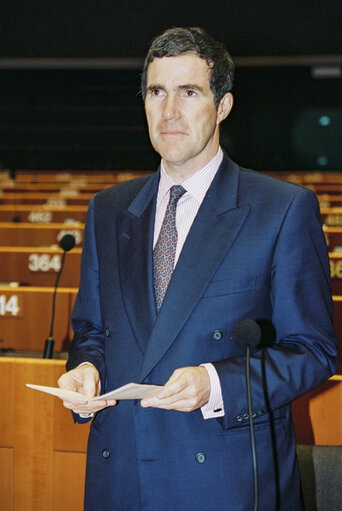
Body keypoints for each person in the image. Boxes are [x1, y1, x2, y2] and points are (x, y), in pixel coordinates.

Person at [58, 27, 337, 511]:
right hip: (119, 473)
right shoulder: (108, 209)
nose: (169, 112)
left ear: (222, 105)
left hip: (224, 480)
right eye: (156, 92)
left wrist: (216, 381)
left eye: (189, 92)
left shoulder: (283, 209)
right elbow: (92, 330)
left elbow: (313, 352)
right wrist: (86, 370)